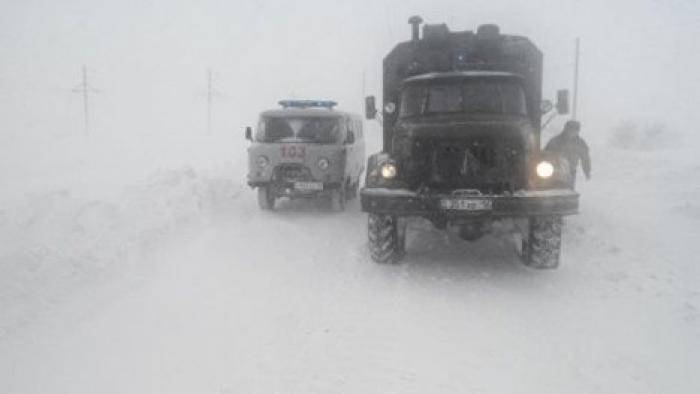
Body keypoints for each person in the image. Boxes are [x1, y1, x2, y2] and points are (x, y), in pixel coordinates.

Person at [545, 120, 591, 189]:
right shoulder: (555, 141)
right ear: (566, 129)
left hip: (571, 171)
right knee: (552, 189)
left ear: (578, 131)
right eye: (570, 129)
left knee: (568, 192)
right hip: (555, 171)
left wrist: (587, 171)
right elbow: (545, 155)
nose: (572, 132)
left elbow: (585, 158)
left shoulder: (580, 143)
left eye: (575, 130)